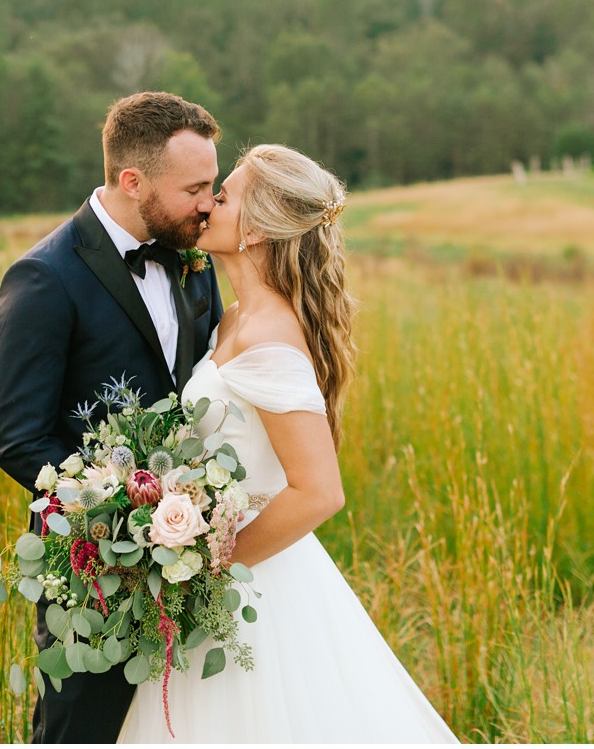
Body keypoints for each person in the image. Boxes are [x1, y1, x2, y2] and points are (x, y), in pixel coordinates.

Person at [118, 143, 456, 744]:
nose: (208, 204)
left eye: (224, 196)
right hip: (223, 568)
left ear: (255, 230)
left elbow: (320, 491)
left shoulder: (270, 337)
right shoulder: (234, 320)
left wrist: (211, 566)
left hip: (256, 587)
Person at [0, 92, 224, 745]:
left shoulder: (191, 257)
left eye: (214, 185)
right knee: (82, 730)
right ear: (132, 181)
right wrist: (128, 514)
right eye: (196, 188)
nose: (210, 204)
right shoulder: (42, 279)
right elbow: (19, 441)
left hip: (192, 555)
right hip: (94, 564)